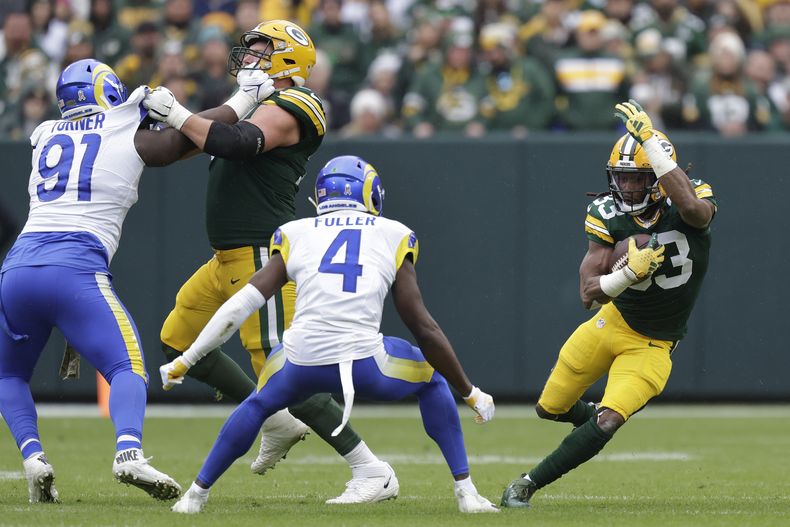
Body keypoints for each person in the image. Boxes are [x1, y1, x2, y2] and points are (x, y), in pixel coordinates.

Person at [143, 20, 399, 504]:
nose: (250, 57)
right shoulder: (256, 102)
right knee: (177, 341)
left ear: (287, 59)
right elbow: (196, 141)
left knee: (287, 371)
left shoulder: (300, 104)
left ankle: (371, 469)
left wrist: (177, 112)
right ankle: (277, 419)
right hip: (225, 257)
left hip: (263, 254)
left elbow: (236, 143)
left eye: (262, 50)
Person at [0, 56, 276, 503]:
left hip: (17, 269)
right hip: (75, 266)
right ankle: (128, 451)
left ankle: (33, 456)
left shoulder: (44, 134)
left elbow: (172, 142)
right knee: (126, 366)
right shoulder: (121, 126)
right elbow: (179, 143)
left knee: (9, 375)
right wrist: (245, 98)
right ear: (107, 92)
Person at [158, 155, 500, 515]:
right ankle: (466, 493)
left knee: (258, 402)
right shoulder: (394, 234)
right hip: (366, 364)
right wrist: (470, 391)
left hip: (300, 363)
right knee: (431, 379)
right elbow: (422, 325)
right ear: (372, 194)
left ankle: (194, 496)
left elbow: (240, 305)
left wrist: (187, 358)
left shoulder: (295, 232)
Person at [501, 99, 716, 508]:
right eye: (621, 178)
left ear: (657, 175)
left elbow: (693, 210)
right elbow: (588, 293)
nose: (627, 188)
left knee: (611, 419)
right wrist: (627, 275)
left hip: (654, 342)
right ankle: (593, 424)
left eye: (637, 179)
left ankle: (526, 484)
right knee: (550, 408)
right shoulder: (606, 210)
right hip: (613, 321)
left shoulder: (691, 197)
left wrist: (650, 141)